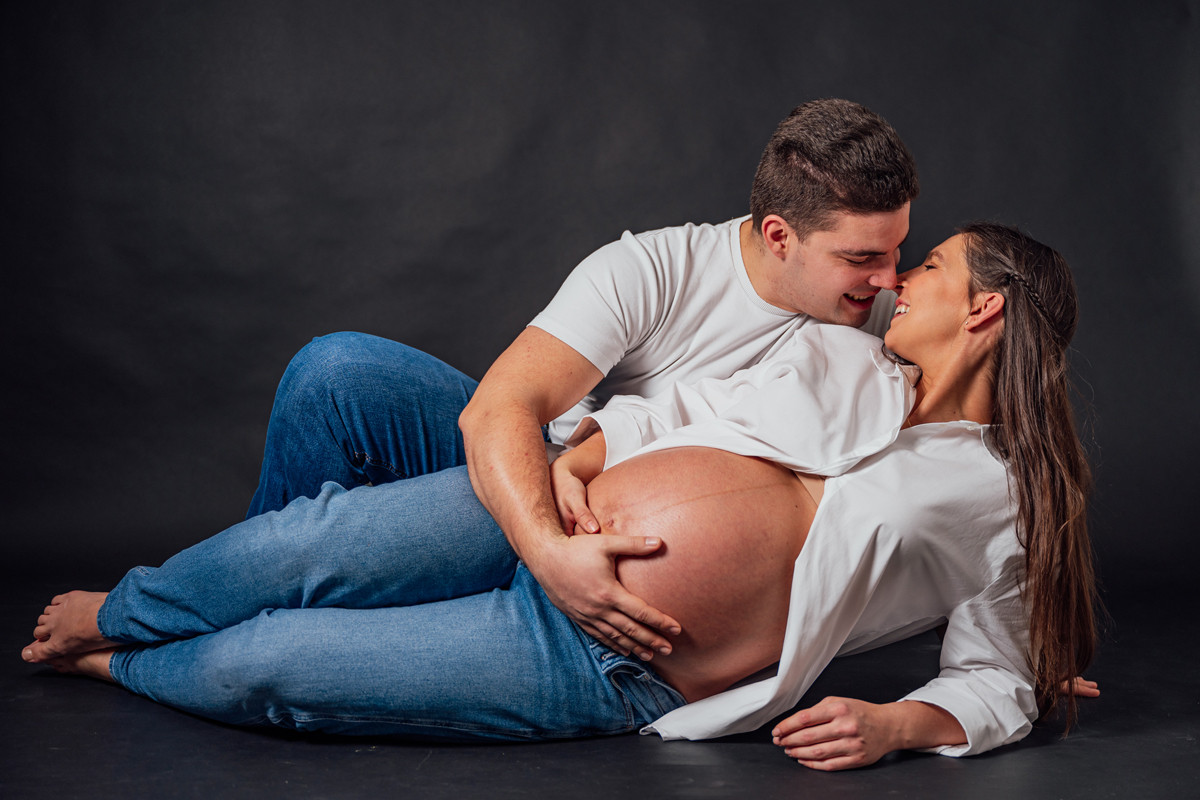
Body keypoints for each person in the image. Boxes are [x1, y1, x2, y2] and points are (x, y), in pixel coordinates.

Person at [25, 222, 1098, 771]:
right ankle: (128, 607)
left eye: (932, 266)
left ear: (986, 308)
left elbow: (998, 678)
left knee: (271, 665)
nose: (901, 280)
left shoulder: (1008, 498)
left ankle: (123, 659)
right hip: (547, 518)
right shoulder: (842, 355)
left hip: (607, 658)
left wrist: (898, 723)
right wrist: (584, 456)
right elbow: (681, 409)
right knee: (305, 545)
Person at [242, 98, 918, 662]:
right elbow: (500, 408)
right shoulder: (652, 270)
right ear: (778, 236)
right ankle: (248, 601)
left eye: (898, 250)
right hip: (562, 478)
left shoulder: (898, 320)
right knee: (335, 372)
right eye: (862, 257)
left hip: (669, 541)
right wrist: (547, 553)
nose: (890, 278)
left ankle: (284, 629)